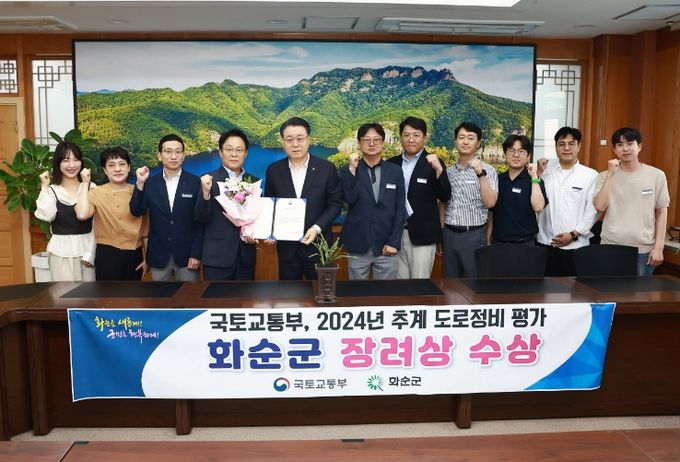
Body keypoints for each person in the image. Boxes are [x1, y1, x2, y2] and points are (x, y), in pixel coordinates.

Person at [264, 117, 342, 280]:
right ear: (283, 142)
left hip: (318, 247)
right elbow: (270, 205)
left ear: (308, 140)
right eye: (289, 140)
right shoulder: (274, 170)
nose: (295, 144)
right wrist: (270, 231)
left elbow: (335, 204)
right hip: (287, 250)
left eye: (300, 139)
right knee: (289, 294)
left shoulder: (326, 168)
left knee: (320, 292)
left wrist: (316, 228)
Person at [593, 127, 670, 276]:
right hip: (610, 247)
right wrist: (611, 175)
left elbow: (662, 212)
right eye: (620, 145)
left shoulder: (657, 175)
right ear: (614, 150)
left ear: (639, 146)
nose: (625, 149)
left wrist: (659, 247)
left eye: (630, 143)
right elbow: (599, 206)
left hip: (643, 250)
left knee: (640, 291)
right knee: (608, 289)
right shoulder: (604, 176)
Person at [129, 134, 202, 281]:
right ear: (159, 155)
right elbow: (136, 211)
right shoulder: (150, 183)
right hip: (158, 254)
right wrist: (140, 184)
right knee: (160, 295)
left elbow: (200, 221)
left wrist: (196, 254)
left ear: (183, 156)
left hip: (187, 255)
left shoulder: (195, 182)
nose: (173, 156)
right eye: (168, 151)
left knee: (189, 295)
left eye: (178, 152)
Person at [339, 123, 406, 280]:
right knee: (357, 291)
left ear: (382, 143)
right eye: (366, 140)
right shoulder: (347, 170)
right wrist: (352, 170)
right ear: (359, 143)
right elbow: (349, 199)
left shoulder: (395, 171)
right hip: (358, 243)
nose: (371, 143)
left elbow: (399, 208)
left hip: (386, 245)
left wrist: (394, 242)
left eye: (376, 139)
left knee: (386, 292)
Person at [387, 116, 451, 279]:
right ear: (401, 137)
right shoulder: (391, 164)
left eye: (416, 135)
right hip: (395, 235)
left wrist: (439, 169)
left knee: (420, 285)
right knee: (398, 287)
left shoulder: (433, 163)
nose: (411, 139)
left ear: (424, 138)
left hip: (422, 235)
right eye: (407, 135)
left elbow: (445, 195)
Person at [75, 147, 148, 281]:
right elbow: (82, 214)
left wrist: (147, 258)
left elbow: (146, 231)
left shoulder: (139, 190)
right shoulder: (97, 193)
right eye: (111, 165)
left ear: (128, 167)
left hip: (134, 254)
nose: (117, 169)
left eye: (122, 164)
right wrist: (85, 183)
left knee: (134, 294)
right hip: (107, 254)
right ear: (105, 170)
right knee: (107, 294)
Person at [195, 129, 258, 280]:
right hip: (217, 257)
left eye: (239, 150)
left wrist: (254, 233)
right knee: (216, 296)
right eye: (229, 149)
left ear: (246, 153)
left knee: (246, 295)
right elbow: (200, 217)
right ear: (220, 152)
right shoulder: (208, 179)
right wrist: (205, 192)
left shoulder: (254, 181)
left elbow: (257, 216)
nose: (234, 154)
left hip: (245, 257)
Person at [536, 127, 599, 276]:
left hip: (576, 245)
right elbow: (535, 203)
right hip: (545, 243)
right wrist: (537, 174)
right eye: (561, 144)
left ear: (579, 146)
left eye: (571, 144)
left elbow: (593, 211)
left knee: (574, 288)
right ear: (556, 147)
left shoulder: (590, 175)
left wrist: (573, 234)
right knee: (544, 287)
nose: (566, 148)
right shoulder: (545, 172)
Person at [441, 122, 498, 277]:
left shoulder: (489, 170)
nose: (465, 142)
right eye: (461, 137)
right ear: (455, 141)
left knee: (474, 283)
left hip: (473, 235)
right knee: (450, 283)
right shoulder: (449, 172)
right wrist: (442, 233)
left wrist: (480, 174)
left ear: (478, 143)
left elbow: (490, 203)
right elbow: (443, 205)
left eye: (470, 138)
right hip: (449, 234)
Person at [34, 142, 96, 281]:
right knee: (63, 293)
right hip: (60, 253)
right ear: (58, 163)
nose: (72, 165)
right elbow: (47, 215)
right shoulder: (52, 190)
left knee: (90, 294)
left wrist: (90, 253)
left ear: (81, 162)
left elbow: (97, 225)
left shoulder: (91, 187)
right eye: (66, 160)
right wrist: (44, 186)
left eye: (76, 159)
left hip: (87, 253)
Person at [492, 135, 547, 245]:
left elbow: (538, 207)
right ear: (505, 154)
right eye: (511, 150)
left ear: (528, 156)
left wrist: (534, 176)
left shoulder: (535, 181)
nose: (516, 155)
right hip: (499, 243)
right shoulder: (497, 179)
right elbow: (490, 212)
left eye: (521, 151)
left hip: (525, 243)